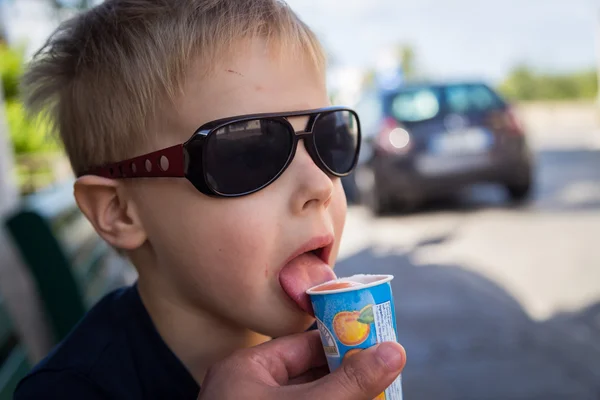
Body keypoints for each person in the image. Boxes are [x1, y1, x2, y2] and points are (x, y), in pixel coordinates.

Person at [14, 0, 406, 399]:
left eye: (329, 138)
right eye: (249, 152)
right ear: (119, 211)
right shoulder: (67, 391)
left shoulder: (340, 343)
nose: (321, 185)